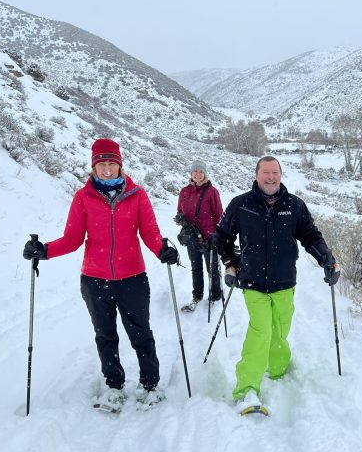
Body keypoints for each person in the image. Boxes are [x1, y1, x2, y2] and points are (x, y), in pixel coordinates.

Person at [22, 138, 179, 412]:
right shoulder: (83, 197)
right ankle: (114, 386)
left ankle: (150, 384)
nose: (107, 169)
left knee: (140, 333)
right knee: (105, 336)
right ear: (94, 167)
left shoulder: (137, 194)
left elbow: (150, 232)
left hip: (132, 278)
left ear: (120, 165)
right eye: (101, 164)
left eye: (112, 164)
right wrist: (43, 250)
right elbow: (72, 239)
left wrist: (162, 250)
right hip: (95, 280)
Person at [214, 155, 340, 413]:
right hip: (253, 283)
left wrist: (326, 260)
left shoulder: (294, 205)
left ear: (280, 175)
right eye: (265, 173)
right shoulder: (241, 205)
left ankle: (278, 369)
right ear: (256, 175)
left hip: (284, 282)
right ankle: (247, 389)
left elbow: (310, 235)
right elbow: (222, 236)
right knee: (260, 332)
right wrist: (231, 262)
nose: (270, 177)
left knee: (280, 330)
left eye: (275, 173)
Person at [175, 160, 224, 312]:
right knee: (196, 269)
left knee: (213, 269)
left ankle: (215, 295)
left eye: (200, 171)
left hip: (209, 239)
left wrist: (217, 235)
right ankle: (197, 295)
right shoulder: (184, 191)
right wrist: (180, 218)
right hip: (192, 239)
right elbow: (179, 211)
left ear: (205, 174)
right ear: (191, 173)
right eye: (195, 171)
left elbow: (219, 216)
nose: (197, 174)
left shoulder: (212, 192)